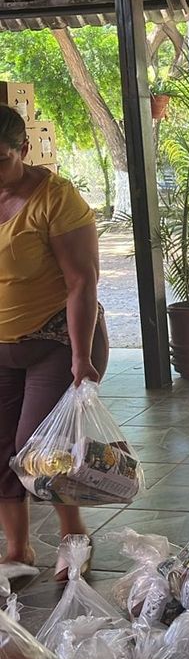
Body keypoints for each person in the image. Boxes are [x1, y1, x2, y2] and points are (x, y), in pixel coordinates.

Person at [0, 105, 109, 576]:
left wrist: (82, 358)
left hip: (57, 340)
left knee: (39, 447)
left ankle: (73, 535)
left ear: (23, 149)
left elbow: (82, 281)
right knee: (2, 450)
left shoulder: (56, 198)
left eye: (0, 160)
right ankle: (18, 548)